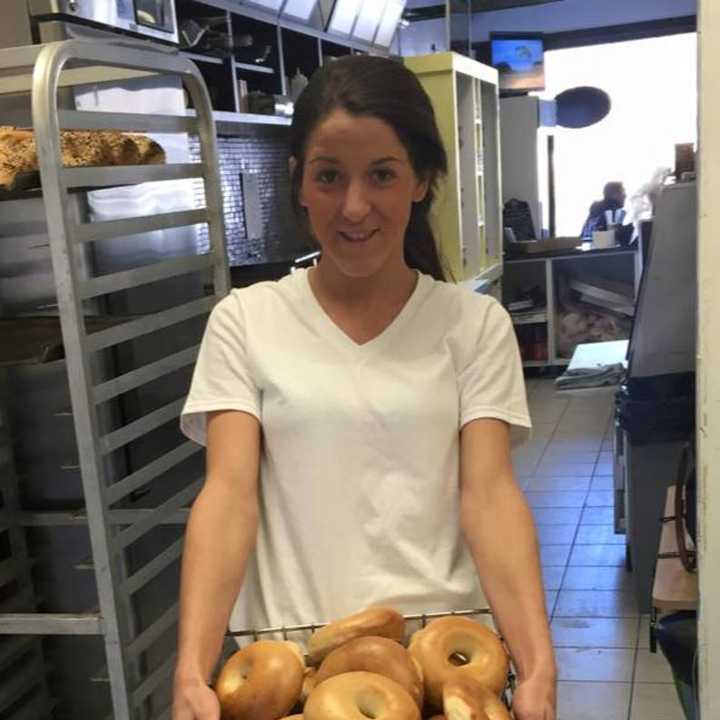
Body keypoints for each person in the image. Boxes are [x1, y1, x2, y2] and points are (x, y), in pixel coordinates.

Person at [172, 55, 556, 720]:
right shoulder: (245, 322)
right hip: (288, 671)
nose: (354, 207)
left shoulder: (474, 326)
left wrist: (540, 664)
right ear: (298, 182)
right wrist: (189, 670)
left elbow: (489, 495)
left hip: (442, 664)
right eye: (329, 176)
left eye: (381, 174)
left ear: (421, 179)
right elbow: (228, 496)